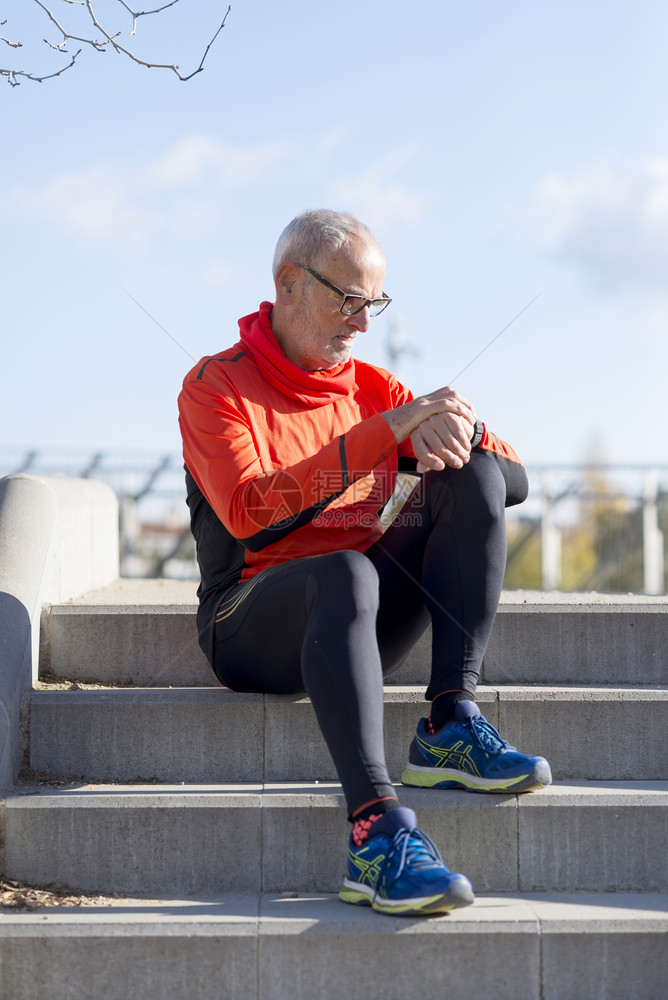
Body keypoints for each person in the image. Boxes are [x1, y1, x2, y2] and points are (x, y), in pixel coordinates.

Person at [178, 209, 551, 917]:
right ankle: (377, 833)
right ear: (289, 284)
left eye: (373, 303)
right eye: (347, 299)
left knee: (468, 478)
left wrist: (459, 424)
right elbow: (256, 513)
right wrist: (386, 434)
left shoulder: (375, 387)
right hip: (249, 620)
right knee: (344, 570)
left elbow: (513, 482)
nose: (362, 322)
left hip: (357, 615)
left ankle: (449, 723)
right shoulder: (214, 387)